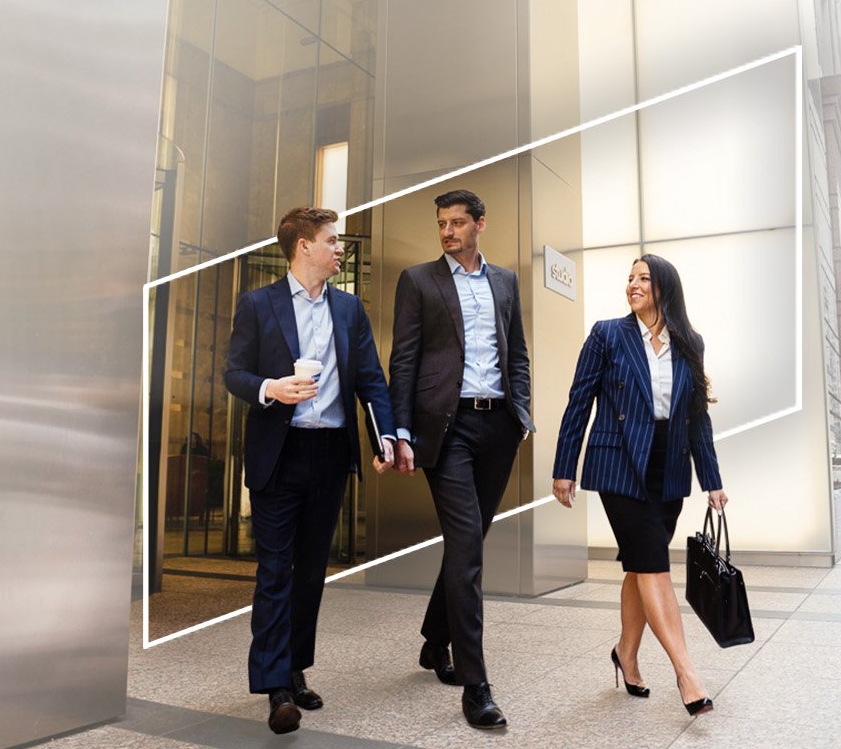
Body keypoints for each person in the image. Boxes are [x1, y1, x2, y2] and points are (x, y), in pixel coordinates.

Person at [224, 206, 397, 735]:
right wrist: (269, 389)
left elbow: (371, 380)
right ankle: (276, 687)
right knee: (275, 572)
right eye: (331, 240)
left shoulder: (349, 309)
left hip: (330, 455)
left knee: (311, 572)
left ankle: (295, 669)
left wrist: (386, 435)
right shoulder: (258, 304)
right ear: (303, 246)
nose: (339, 248)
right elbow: (234, 371)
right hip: (280, 452)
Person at [551, 254, 725, 718]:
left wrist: (712, 479)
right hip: (619, 462)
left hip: (668, 464)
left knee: (639, 566)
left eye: (643, 278)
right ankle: (687, 672)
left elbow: (696, 415)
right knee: (653, 566)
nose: (633, 285)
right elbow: (578, 401)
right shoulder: (608, 333)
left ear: (665, 286)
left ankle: (625, 653)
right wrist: (564, 464)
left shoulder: (690, 342)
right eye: (630, 278)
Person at [388, 189, 533, 730]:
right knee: (468, 546)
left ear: (480, 225)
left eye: (457, 223)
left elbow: (516, 352)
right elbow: (402, 359)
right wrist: (399, 430)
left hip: (498, 425)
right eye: (442, 224)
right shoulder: (419, 280)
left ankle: (433, 641)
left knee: (468, 542)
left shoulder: (506, 282)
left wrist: (521, 414)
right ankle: (477, 685)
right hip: (445, 431)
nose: (447, 232)